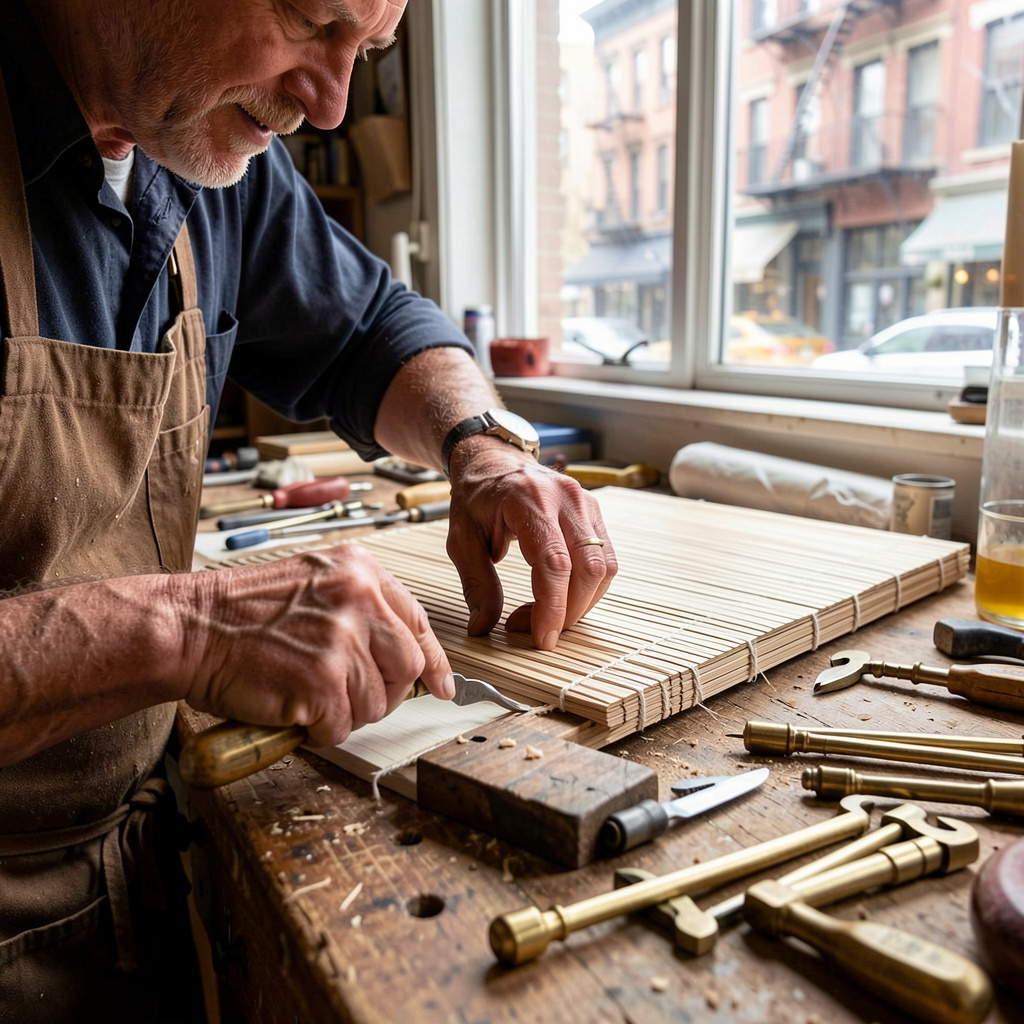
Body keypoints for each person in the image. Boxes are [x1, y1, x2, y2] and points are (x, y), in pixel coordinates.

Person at [0, 0, 617, 1020]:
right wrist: (187, 626)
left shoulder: (199, 146)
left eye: (365, 51)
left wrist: (482, 446)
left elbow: (370, 327)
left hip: (122, 881)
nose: (328, 103)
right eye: (307, 20)